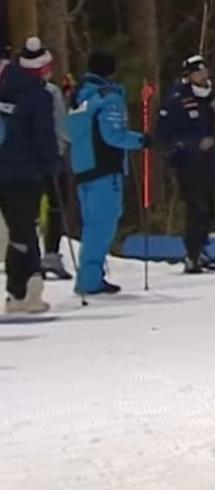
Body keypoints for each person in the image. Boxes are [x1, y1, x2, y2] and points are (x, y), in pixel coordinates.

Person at [68, 50, 149, 294]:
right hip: (105, 168)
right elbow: (113, 135)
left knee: (92, 223)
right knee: (102, 224)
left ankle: (90, 275)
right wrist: (142, 141)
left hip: (83, 168)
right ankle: (90, 279)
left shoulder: (79, 96)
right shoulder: (107, 97)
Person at [0, 38, 60, 313]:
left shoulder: (5, 88)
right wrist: (53, 166)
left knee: (18, 230)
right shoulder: (39, 96)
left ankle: (19, 290)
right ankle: (24, 289)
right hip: (24, 172)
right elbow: (45, 137)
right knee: (25, 230)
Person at [156, 54, 215, 273]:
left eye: (204, 72)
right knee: (197, 207)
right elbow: (164, 133)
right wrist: (192, 146)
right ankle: (192, 254)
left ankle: (202, 249)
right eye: (198, 73)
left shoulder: (209, 95)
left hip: (208, 161)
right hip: (188, 162)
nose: (203, 77)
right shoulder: (178, 98)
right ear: (188, 76)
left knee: (209, 207)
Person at [35, 39, 73, 280]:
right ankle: (50, 253)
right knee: (58, 204)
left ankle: (31, 255)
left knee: (31, 208)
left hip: (23, 160)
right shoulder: (50, 92)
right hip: (49, 157)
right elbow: (61, 125)